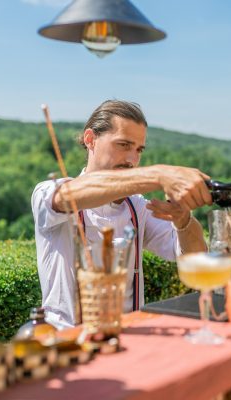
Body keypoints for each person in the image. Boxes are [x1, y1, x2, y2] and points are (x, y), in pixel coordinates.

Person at [31, 100, 212, 329]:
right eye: (124, 145)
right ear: (90, 139)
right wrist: (157, 175)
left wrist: (183, 219)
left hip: (129, 341)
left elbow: (194, 259)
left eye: (138, 150)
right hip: (69, 343)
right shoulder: (48, 192)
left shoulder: (138, 207)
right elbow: (69, 196)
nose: (132, 160)